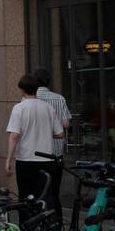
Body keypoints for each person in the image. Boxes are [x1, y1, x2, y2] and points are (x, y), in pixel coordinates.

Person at [5, 74, 62, 207]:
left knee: (25, 198)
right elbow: (59, 134)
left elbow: (14, 136)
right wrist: (46, 134)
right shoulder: (48, 108)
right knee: (46, 198)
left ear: (22, 89)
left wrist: (8, 159)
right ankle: (47, 226)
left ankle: (26, 226)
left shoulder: (19, 108)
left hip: (26, 160)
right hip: (47, 160)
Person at [33, 66, 70, 211]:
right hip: (56, 152)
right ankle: (57, 222)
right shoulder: (59, 98)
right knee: (54, 191)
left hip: (36, 153)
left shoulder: (30, 100)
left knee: (38, 191)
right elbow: (66, 123)